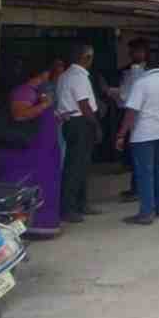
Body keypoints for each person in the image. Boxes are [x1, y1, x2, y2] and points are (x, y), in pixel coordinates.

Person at [0, 58, 63, 238]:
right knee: (27, 188)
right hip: (29, 154)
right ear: (43, 73)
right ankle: (24, 227)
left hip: (43, 152)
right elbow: (20, 115)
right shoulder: (24, 91)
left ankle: (42, 225)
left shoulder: (38, 92)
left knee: (43, 188)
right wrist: (44, 105)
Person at [114, 48, 159, 226]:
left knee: (145, 173)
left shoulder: (142, 83)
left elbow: (131, 112)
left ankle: (146, 213)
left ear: (146, 64)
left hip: (144, 134)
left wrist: (121, 134)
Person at [56, 43, 102, 223]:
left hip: (72, 123)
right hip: (80, 123)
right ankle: (68, 208)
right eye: (91, 57)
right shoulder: (78, 77)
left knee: (80, 165)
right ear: (86, 58)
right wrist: (96, 125)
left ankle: (81, 203)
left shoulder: (65, 75)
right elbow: (84, 105)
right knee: (75, 167)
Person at [111, 39, 150, 201]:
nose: (131, 55)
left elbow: (128, 97)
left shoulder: (143, 72)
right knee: (134, 157)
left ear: (143, 52)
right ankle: (136, 189)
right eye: (131, 51)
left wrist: (113, 92)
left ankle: (139, 191)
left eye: (134, 51)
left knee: (139, 159)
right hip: (131, 117)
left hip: (139, 119)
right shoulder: (129, 70)